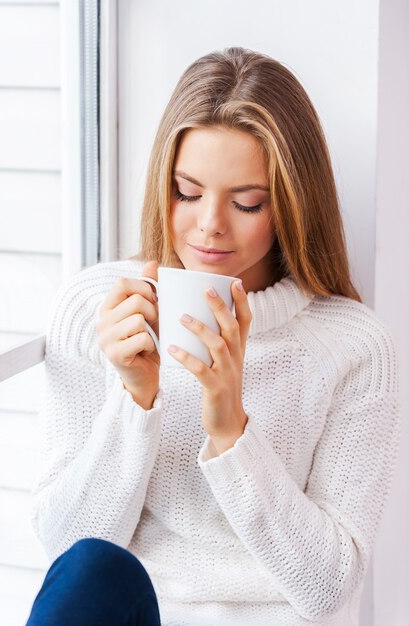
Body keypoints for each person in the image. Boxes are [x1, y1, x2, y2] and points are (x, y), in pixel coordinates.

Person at [26, 46, 401, 626]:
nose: (209, 226)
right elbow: (68, 549)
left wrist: (230, 427)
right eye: (187, 192)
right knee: (92, 572)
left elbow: (328, 585)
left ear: (292, 207)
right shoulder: (97, 308)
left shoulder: (352, 346)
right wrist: (134, 400)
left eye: (247, 203)